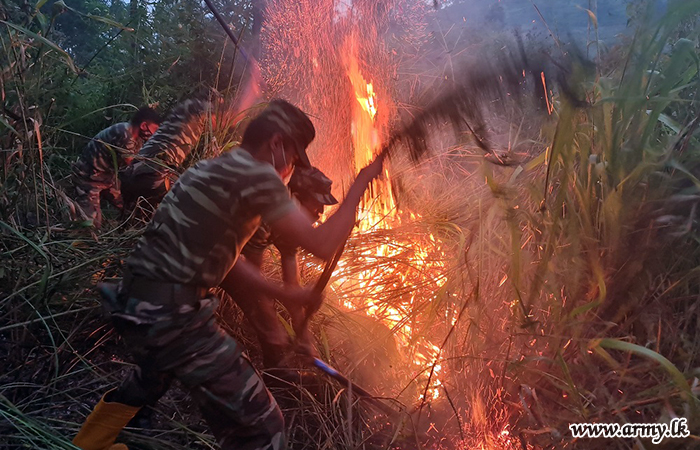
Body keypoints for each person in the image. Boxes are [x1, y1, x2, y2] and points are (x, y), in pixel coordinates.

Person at [72, 99, 385, 450]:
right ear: (277, 143)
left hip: (136, 303)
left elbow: (229, 262)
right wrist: (360, 185)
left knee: (150, 378)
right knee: (264, 429)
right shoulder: (258, 175)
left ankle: (89, 444)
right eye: (295, 157)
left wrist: (289, 296)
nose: (292, 168)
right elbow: (324, 245)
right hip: (172, 318)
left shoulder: (215, 167)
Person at [233, 166, 338, 371]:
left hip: (232, 261)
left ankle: (277, 368)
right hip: (209, 253)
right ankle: (276, 371)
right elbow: (254, 282)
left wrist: (304, 336)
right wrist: (271, 323)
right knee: (262, 310)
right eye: (316, 203)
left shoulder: (290, 227)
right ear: (295, 197)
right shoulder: (265, 215)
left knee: (265, 312)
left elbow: (292, 286)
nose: (320, 212)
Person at [120, 90, 223, 216]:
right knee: (197, 200)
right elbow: (227, 119)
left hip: (135, 174)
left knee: (140, 222)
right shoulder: (198, 107)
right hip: (153, 173)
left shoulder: (185, 109)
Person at [72, 107, 161, 229]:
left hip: (107, 178)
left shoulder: (138, 139)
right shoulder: (124, 132)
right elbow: (132, 165)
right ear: (144, 125)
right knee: (91, 225)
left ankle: (124, 231)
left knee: (128, 206)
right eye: (155, 129)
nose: (154, 134)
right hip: (88, 179)